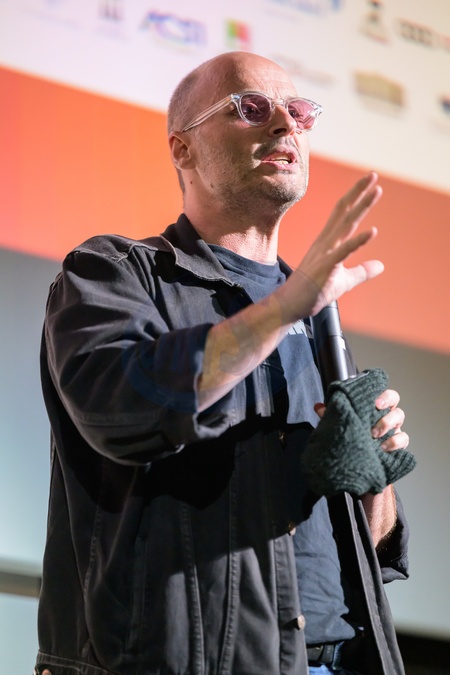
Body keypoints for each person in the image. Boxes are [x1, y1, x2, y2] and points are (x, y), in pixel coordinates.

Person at [35, 52, 411, 675]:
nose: (285, 125)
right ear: (182, 149)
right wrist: (282, 308)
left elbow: (358, 545)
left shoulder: (317, 314)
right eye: (251, 108)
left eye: (297, 112)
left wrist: (375, 473)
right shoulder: (113, 274)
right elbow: (124, 410)